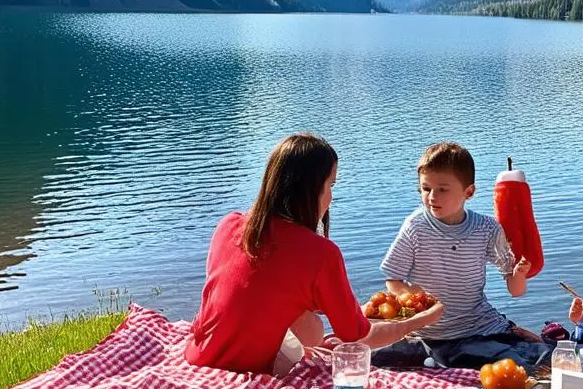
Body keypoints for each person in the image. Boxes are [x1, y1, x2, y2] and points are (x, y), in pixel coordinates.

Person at [185, 133, 443, 375]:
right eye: (331, 185)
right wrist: (415, 323)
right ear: (310, 190)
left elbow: (248, 293)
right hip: (245, 370)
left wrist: (353, 311)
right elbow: (359, 336)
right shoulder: (321, 253)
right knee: (313, 330)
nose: (331, 196)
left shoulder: (228, 224)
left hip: (198, 357)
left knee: (310, 324)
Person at [378, 142, 540, 369]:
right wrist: (410, 296)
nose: (432, 197)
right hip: (428, 333)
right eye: (425, 189)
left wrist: (520, 273)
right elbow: (393, 279)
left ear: (469, 192)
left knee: (528, 364)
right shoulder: (415, 227)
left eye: (443, 189)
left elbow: (516, 290)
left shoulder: (487, 228)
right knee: (371, 359)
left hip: (480, 328)